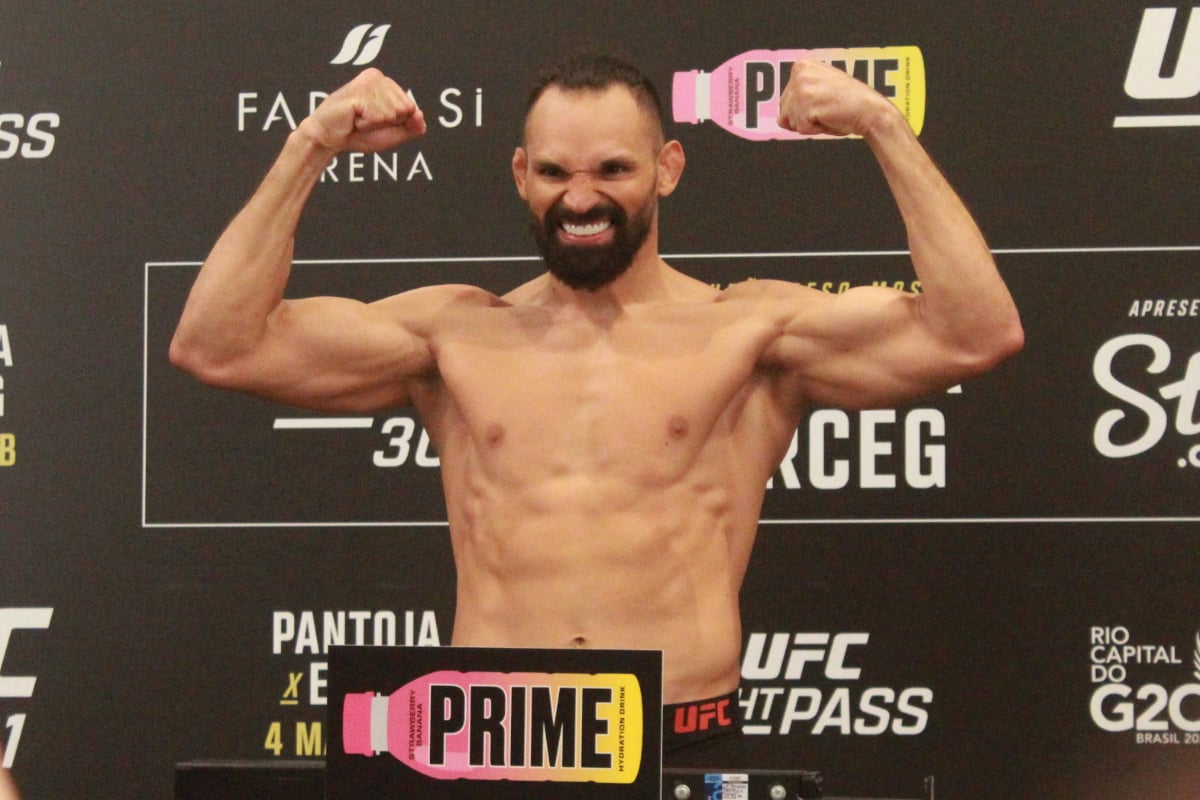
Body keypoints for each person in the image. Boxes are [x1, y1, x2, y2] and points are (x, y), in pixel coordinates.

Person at [170, 53, 1022, 766]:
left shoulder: (751, 333)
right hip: (492, 739)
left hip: (676, 734)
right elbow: (219, 345)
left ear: (667, 169)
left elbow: (974, 334)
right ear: (521, 176)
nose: (580, 198)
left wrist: (882, 125)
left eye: (613, 169)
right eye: (554, 173)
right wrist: (311, 144)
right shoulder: (454, 336)